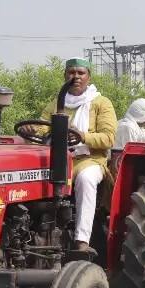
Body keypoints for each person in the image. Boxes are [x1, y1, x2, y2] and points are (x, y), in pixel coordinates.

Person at [34, 57, 117, 254]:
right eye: (72, 73)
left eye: (81, 73)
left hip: (89, 160)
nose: (76, 77)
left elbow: (108, 138)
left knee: (86, 179)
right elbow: (41, 127)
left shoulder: (100, 103)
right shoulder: (57, 102)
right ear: (65, 76)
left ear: (88, 77)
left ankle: (82, 240)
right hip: (57, 159)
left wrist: (83, 136)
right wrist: (34, 129)